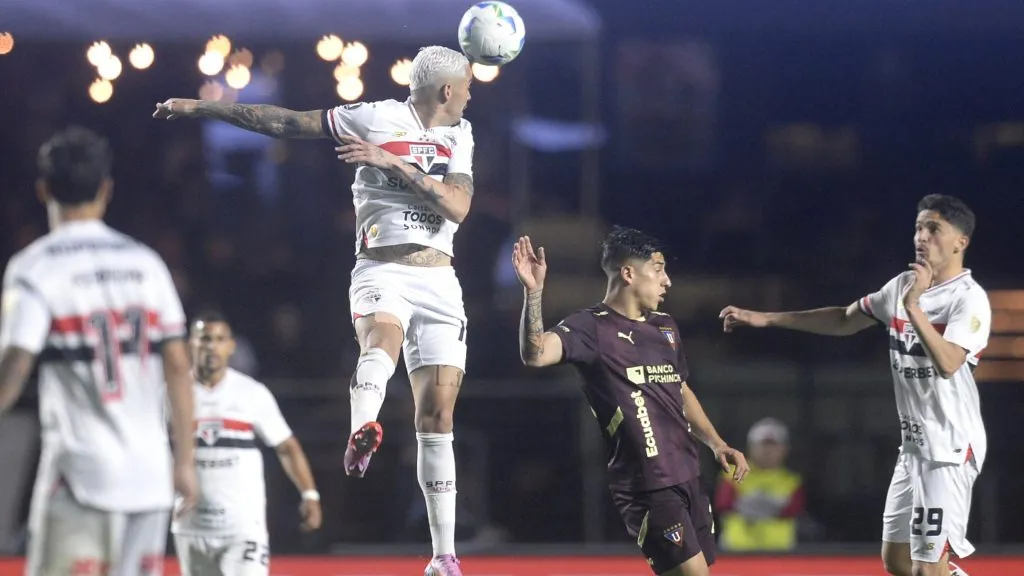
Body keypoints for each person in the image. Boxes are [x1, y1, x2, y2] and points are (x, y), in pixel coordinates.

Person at [154, 45, 475, 574]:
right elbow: (286, 123)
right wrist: (202, 107)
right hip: (382, 268)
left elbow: (457, 207)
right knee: (382, 342)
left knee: (438, 416)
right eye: (466, 85)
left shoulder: (460, 135)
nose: (469, 93)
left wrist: (391, 161)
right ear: (446, 90)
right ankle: (362, 431)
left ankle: (443, 557)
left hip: (440, 278)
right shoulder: (372, 116)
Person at [719, 194, 987, 576]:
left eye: (934, 229)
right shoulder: (902, 286)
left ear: (961, 241)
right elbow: (845, 319)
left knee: (929, 568)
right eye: (918, 227)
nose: (921, 237)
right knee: (896, 561)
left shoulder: (969, 299)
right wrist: (766, 319)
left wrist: (914, 309)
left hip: (948, 449)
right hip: (913, 448)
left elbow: (948, 363)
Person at [0, 126, 198, 576]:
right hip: (150, 478)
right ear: (106, 189)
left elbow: (15, 363)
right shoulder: (146, 264)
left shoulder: (35, 267)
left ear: (44, 189)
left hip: (80, 477)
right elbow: (178, 366)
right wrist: (184, 460)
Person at [513, 228, 750, 576]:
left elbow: (680, 389)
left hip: (689, 475)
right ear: (628, 273)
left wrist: (716, 444)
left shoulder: (666, 327)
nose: (667, 280)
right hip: (647, 485)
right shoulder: (589, 328)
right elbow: (534, 355)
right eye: (658, 269)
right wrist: (534, 293)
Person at [173, 311, 321, 576]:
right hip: (190, 526)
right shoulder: (171, 396)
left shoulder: (251, 393)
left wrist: (309, 494)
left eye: (219, 339)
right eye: (204, 338)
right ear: (189, 345)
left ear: (231, 346)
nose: (211, 346)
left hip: (242, 526)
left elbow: (286, 446)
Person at [714, 417, 805, 552]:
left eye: (773, 445)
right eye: (762, 445)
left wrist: (747, 504)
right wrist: (773, 506)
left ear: (784, 449)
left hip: (780, 553)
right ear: (750, 447)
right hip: (737, 551)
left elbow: (794, 510)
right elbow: (723, 505)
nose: (767, 450)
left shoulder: (792, 480)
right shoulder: (731, 473)